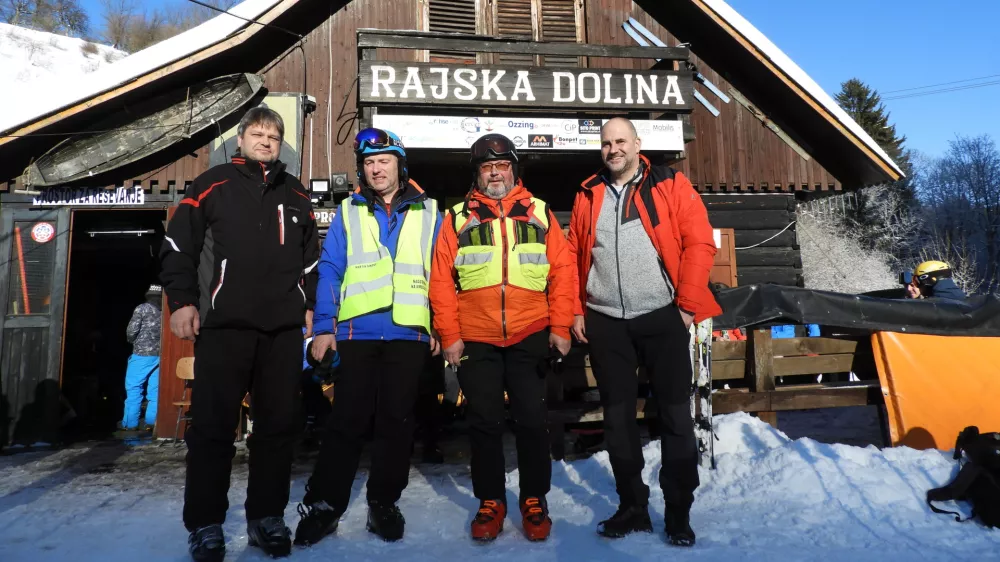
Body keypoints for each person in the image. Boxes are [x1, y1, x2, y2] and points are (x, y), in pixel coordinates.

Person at [160, 106, 319, 561]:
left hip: (282, 332)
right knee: (211, 430)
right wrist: (183, 301)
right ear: (241, 139)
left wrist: (308, 307)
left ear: (281, 142)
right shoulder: (212, 184)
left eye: (273, 135)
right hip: (225, 327)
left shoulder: (297, 193)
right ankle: (206, 524)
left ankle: (266, 517)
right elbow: (178, 247)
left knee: (277, 429)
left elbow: (310, 261)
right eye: (257, 133)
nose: (265, 141)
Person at [567, 117, 721, 547]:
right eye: (606, 143)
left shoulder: (670, 185)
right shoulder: (588, 192)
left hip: (662, 316)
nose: (613, 149)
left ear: (637, 144)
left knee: (673, 416)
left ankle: (678, 513)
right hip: (605, 321)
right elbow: (576, 252)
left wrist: (687, 306)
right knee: (618, 419)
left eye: (620, 141)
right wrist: (578, 309)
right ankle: (632, 505)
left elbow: (700, 243)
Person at [293, 128, 442, 547]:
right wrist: (324, 328)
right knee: (347, 421)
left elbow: (442, 275)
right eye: (369, 163)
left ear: (400, 165)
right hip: (356, 332)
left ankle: (383, 503)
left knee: (397, 422)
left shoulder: (432, 212)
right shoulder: (349, 210)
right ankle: (325, 505)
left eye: (384, 161)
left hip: (409, 333)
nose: (376, 169)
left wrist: (441, 326)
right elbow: (331, 271)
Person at [429, 133, 575, 542]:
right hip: (475, 337)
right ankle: (490, 500)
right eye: (487, 168)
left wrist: (561, 327)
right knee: (485, 423)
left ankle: (534, 498)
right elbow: (441, 281)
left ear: (514, 170)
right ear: (477, 174)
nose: (495, 174)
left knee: (532, 421)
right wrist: (450, 335)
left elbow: (563, 273)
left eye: (502, 166)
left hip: (531, 333)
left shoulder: (541, 214)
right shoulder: (456, 217)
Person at [120, 284, 162, 432]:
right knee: (155, 390)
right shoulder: (166, 310)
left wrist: (131, 341)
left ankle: (130, 424)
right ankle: (151, 422)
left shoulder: (142, 308)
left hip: (141, 354)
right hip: (160, 355)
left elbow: (131, 331)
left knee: (134, 388)